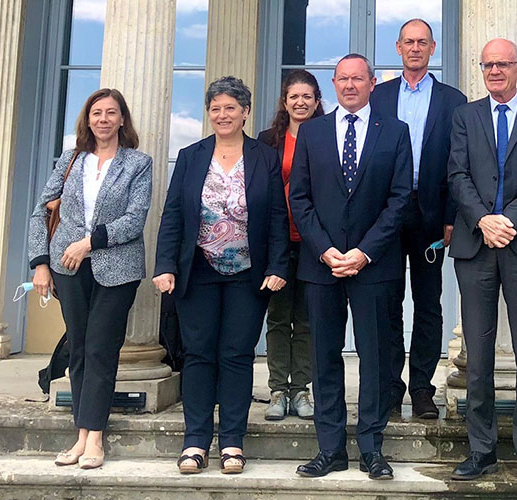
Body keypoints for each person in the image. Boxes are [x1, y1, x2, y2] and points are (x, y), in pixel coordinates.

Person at [153, 76, 289, 475]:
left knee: (236, 355)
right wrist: (164, 266)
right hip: (198, 271)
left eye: (231, 108)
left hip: (249, 273)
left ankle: (231, 442)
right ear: (208, 113)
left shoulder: (264, 157)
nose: (223, 114)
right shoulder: (191, 156)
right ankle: (195, 442)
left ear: (245, 112)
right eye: (216, 108)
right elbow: (173, 214)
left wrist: (278, 265)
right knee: (197, 355)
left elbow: (278, 217)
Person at [289, 54, 412, 480]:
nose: (350, 85)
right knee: (324, 357)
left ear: (373, 83)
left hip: (374, 265)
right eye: (342, 79)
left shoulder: (395, 132)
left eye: (358, 78)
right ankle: (330, 449)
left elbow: (399, 201)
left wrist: (363, 252)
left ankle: (372, 448)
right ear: (334, 84)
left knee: (375, 357)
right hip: (321, 265)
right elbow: (299, 199)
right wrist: (325, 250)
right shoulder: (312, 132)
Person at [447, 38, 517, 483]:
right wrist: (482, 220)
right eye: (487, 65)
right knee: (477, 355)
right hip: (475, 246)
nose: (494, 71)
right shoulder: (465, 116)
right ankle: (482, 451)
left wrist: (506, 220)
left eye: (503, 64)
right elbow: (456, 173)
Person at [27, 88, 151, 470]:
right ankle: (80, 435)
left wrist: (88, 243)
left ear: (122, 120)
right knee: (78, 347)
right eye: (96, 113)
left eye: (111, 113)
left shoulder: (138, 163)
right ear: (88, 119)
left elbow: (135, 218)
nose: (103, 119)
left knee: (101, 347)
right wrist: (40, 264)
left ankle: (94, 437)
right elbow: (39, 213)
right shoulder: (71, 160)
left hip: (118, 268)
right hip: (68, 268)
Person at [369, 19, 466, 420]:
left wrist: (451, 216)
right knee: (388, 303)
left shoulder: (452, 99)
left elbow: (459, 162)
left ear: (432, 48)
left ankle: (423, 390)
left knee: (428, 305)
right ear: (398, 47)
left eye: (421, 42)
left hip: (431, 215)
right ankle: (391, 388)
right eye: (408, 42)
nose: (414, 48)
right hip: (386, 214)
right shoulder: (379, 96)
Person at [258, 70, 325, 421]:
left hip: (315, 241)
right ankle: (277, 391)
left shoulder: (327, 135)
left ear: (317, 101)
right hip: (278, 242)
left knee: (308, 320)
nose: (300, 102)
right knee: (279, 318)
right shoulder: (268, 139)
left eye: (307, 96)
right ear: (285, 102)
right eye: (293, 97)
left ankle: (301, 390)